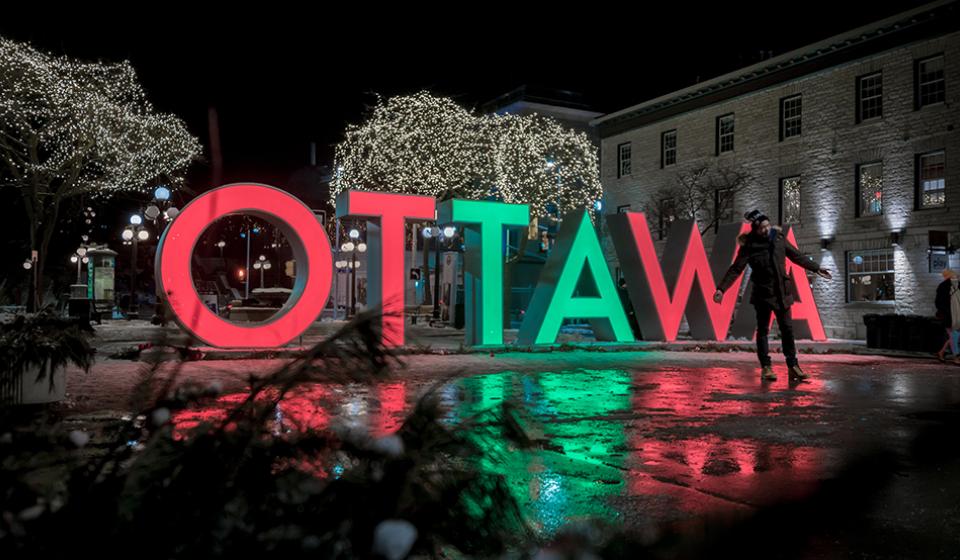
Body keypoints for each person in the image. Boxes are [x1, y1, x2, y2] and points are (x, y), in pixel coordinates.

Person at [713, 210, 832, 381]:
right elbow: (736, 269)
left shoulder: (779, 239)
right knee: (763, 331)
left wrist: (816, 268)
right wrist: (721, 289)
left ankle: (793, 366)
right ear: (755, 229)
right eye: (762, 227)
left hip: (782, 293)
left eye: (768, 225)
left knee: (787, 330)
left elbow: (796, 256)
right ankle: (766, 367)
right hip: (762, 294)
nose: (766, 229)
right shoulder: (750, 247)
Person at [935, 269, 960, 364]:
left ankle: (941, 352)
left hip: (953, 315)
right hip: (949, 316)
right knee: (954, 336)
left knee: (954, 336)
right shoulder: (944, 287)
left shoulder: (954, 285)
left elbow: (938, 303)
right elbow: (939, 303)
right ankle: (956, 357)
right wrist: (945, 313)